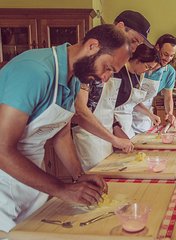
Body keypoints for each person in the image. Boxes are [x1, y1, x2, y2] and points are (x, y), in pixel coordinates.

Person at [0, 24, 129, 232]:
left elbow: (60, 134)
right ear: (93, 46)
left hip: (31, 180)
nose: (105, 78)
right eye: (107, 68)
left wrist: (78, 175)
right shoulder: (34, 72)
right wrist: (62, 188)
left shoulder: (73, 79)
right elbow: (2, 150)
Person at [72, 10, 151, 170]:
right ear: (120, 27)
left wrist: (115, 129)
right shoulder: (89, 58)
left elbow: (108, 106)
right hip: (89, 136)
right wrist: (114, 139)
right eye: (134, 40)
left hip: (106, 133)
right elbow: (80, 110)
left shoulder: (117, 61)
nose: (134, 48)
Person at [132, 34, 176, 134]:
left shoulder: (170, 72)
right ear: (157, 47)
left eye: (172, 56)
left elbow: (168, 97)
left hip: (145, 117)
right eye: (165, 54)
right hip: (126, 112)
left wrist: (169, 113)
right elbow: (130, 97)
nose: (168, 59)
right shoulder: (141, 63)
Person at [113, 44, 160, 140]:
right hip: (113, 124)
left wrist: (150, 115)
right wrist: (115, 128)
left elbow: (133, 102)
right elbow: (107, 105)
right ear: (138, 61)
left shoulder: (138, 76)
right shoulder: (118, 73)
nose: (147, 71)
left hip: (127, 124)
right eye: (147, 67)